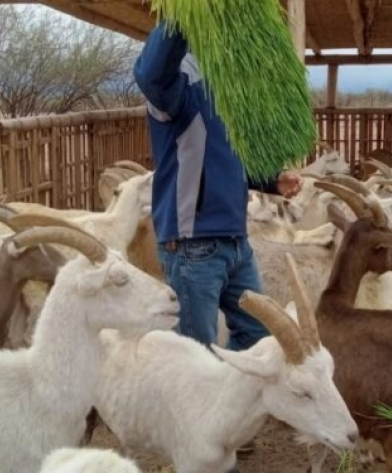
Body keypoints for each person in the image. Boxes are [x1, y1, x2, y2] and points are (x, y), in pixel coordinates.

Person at [134, 21, 303, 353]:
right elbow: (150, 74)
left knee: (257, 336)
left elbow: (224, 159)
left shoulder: (225, 88)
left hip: (236, 241)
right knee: (195, 355)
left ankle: (226, 400)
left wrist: (270, 179)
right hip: (192, 244)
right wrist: (181, 16)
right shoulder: (176, 79)